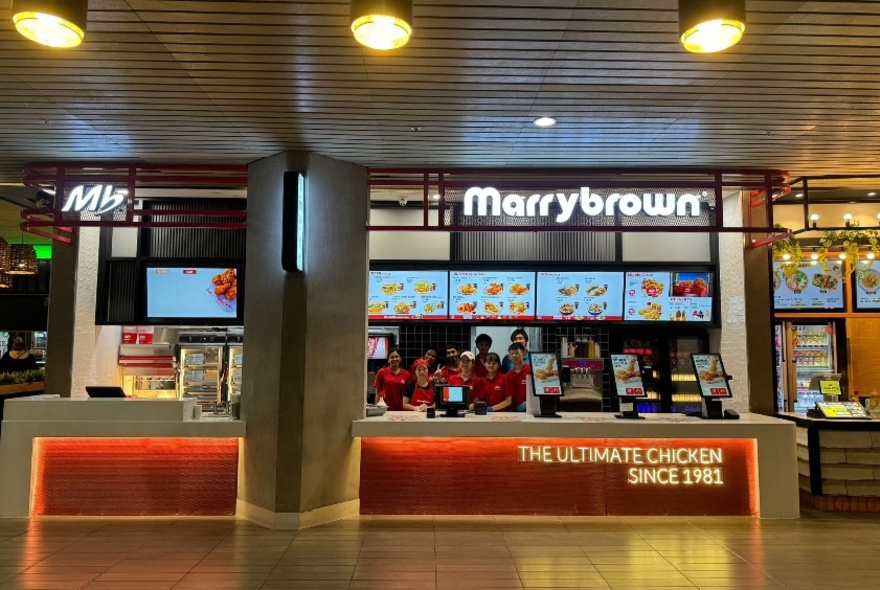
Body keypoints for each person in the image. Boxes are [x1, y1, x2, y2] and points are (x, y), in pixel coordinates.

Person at [373, 347, 410, 411]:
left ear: (400, 358)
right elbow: (378, 393)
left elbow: (409, 394)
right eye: (392, 357)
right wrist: (377, 409)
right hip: (385, 409)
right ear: (388, 360)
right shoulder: (381, 372)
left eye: (397, 357)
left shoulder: (406, 374)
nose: (394, 359)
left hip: (402, 410)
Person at [504, 342, 531, 412]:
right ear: (509, 357)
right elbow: (509, 398)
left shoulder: (531, 371)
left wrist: (527, 403)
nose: (514, 356)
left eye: (517, 353)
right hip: (514, 411)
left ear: (523, 354)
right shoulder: (508, 375)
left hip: (531, 409)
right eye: (512, 354)